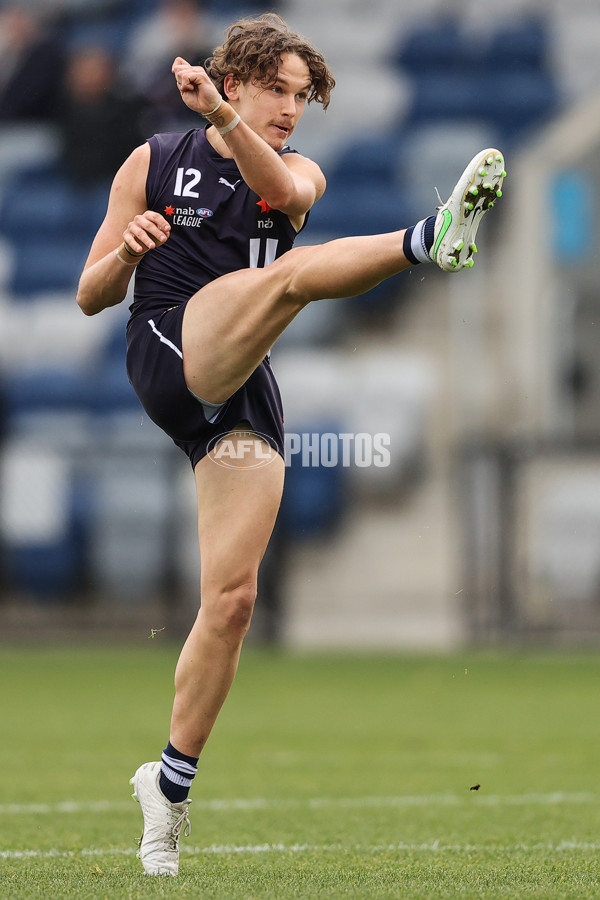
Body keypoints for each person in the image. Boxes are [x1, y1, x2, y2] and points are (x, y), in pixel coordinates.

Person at [76, 13, 505, 877]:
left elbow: (291, 200)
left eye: (302, 97)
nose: (291, 109)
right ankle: (430, 240)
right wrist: (127, 250)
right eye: (276, 89)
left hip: (240, 388)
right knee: (289, 279)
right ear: (233, 81)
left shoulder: (292, 170)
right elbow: (90, 294)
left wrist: (233, 124)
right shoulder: (154, 161)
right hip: (168, 347)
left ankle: (168, 786)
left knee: (232, 601)